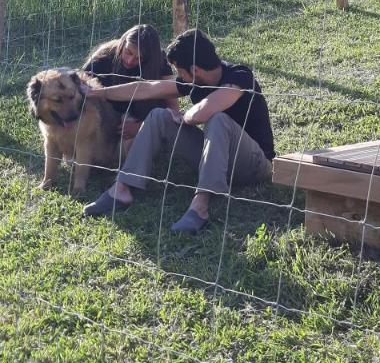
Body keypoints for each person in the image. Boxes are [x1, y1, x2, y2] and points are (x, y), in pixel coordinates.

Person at [81, 28, 274, 234]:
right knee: (159, 115)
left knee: (218, 119)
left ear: (194, 69)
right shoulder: (194, 80)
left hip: (253, 164)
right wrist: (99, 93)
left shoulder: (239, 76)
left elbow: (204, 111)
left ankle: (200, 207)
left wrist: (184, 116)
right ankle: (122, 189)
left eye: (180, 72)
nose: (179, 77)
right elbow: (148, 88)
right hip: (219, 160)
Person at [81, 24, 179, 151]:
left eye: (139, 58)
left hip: (142, 118)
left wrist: (141, 126)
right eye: (128, 52)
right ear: (122, 44)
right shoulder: (101, 60)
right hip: (105, 120)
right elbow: (81, 95)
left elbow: (173, 108)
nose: (130, 60)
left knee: (130, 146)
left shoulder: (158, 62)